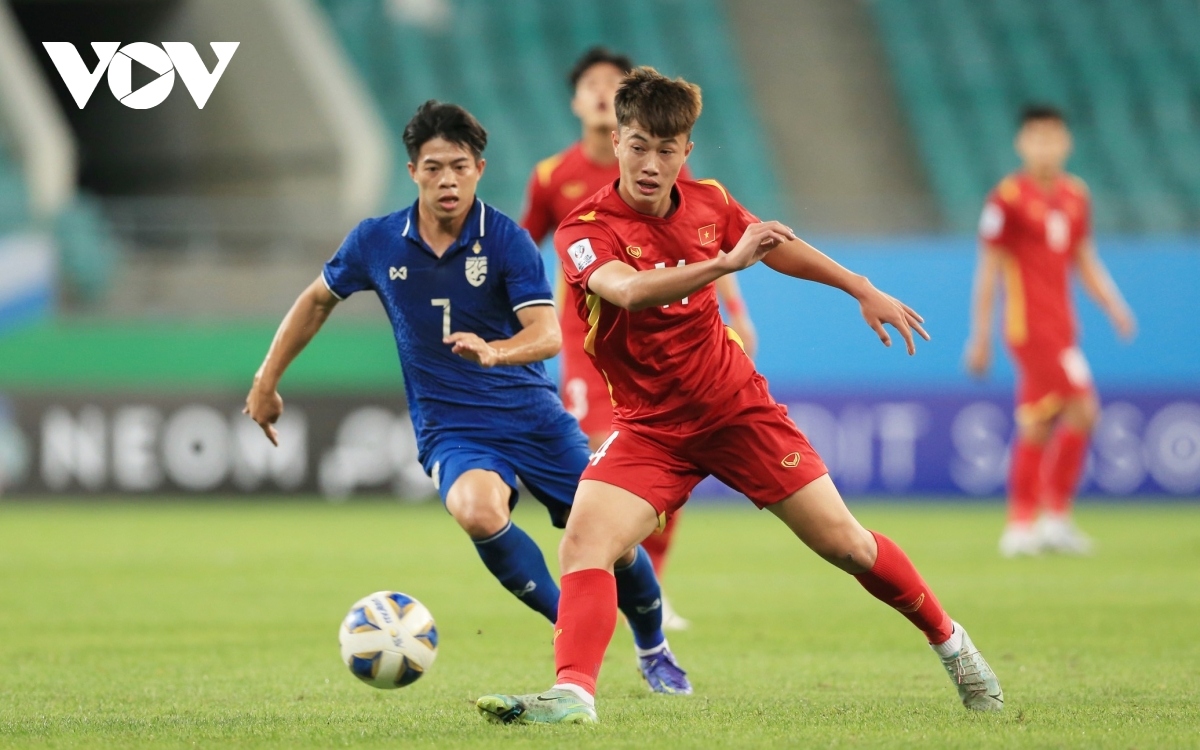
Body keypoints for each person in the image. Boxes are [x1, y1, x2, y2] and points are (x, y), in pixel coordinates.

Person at [475, 67, 1003, 725]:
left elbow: (776, 247)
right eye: (638, 144)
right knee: (584, 542)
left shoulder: (709, 203)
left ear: (685, 153)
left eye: (666, 150)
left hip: (735, 411)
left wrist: (859, 286)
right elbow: (629, 291)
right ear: (618, 142)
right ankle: (574, 694)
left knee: (847, 545)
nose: (650, 162)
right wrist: (726, 263)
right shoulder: (583, 229)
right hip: (652, 428)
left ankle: (952, 644)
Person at [243, 100, 689, 693]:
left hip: (534, 419)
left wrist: (495, 350)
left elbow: (549, 335)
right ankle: (573, 629)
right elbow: (317, 299)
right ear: (412, 173)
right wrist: (265, 381)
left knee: (617, 541)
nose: (446, 180)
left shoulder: (505, 240)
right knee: (478, 510)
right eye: (432, 168)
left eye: (458, 166)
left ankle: (653, 646)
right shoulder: (377, 241)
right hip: (453, 428)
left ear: (479, 168)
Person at [522, 47, 758, 628]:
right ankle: (615, 574)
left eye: (613, 83)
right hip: (589, 340)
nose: (603, 92)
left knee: (662, 453)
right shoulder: (555, 177)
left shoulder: (656, 163)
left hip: (667, 339)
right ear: (577, 101)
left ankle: (649, 582)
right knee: (607, 451)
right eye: (592, 85)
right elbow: (525, 246)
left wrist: (737, 312)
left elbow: (703, 245)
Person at [966, 105, 1135, 558]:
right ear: (1022, 144)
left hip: (1063, 327)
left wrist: (1114, 305)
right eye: (1036, 138)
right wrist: (979, 334)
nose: (1045, 146)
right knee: (1082, 408)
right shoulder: (1007, 198)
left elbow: (1084, 259)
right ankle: (1046, 518)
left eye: (1053, 137)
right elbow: (989, 269)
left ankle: (1028, 523)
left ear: (1066, 143)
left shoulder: (1076, 195)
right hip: (1029, 327)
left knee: (1039, 422)